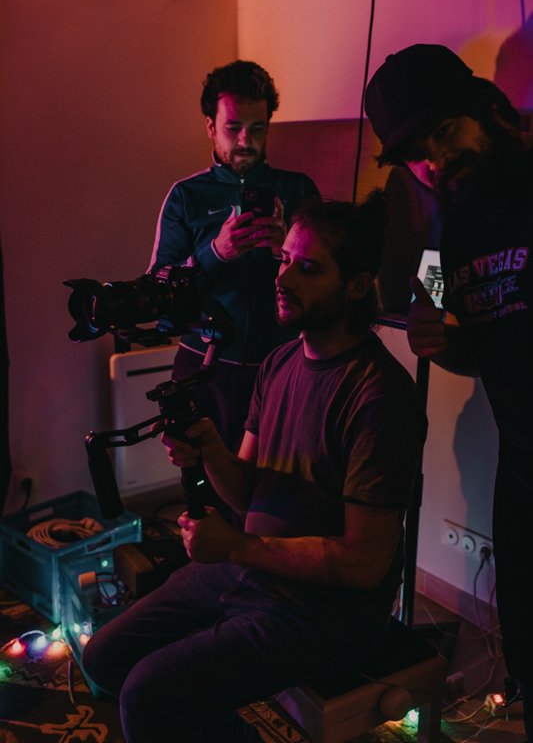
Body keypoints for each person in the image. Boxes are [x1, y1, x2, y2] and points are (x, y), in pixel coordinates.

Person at [82, 194, 427, 743]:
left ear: (357, 286)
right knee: (103, 658)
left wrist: (238, 547)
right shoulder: (280, 361)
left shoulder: (380, 397)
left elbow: (364, 563)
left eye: (308, 268)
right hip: (249, 570)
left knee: (146, 695)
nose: (282, 278)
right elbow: (246, 495)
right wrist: (209, 449)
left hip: (321, 612)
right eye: (284, 260)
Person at [364, 43, 533, 741]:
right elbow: (464, 340)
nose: (435, 161)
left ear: (485, 109)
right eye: (416, 155)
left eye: (443, 133)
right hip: (521, 476)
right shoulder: (449, 232)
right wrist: (434, 337)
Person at [148, 59, 320, 454]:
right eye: (234, 127)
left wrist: (286, 253)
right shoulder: (185, 196)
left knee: (274, 481)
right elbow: (158, 287)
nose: (246, 140)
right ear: (211, 126)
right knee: (200, 479)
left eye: (258, 128)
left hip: (282, 363)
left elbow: (327, 281)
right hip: (203, 365)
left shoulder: (298, 190)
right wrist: (215, 253)